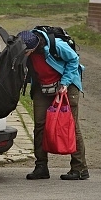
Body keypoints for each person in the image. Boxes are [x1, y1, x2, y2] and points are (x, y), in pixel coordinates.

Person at [19, 29, 88, 181]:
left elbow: (73, 60)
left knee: (71, 125)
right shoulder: (24, 47)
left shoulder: (56, 45)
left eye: (26, 52)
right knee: (40, 125)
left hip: (67, 85)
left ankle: (80, 168)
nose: (24, 55)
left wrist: (65, 82)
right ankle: (41, 167)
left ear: (34, 47)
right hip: (43, 86)